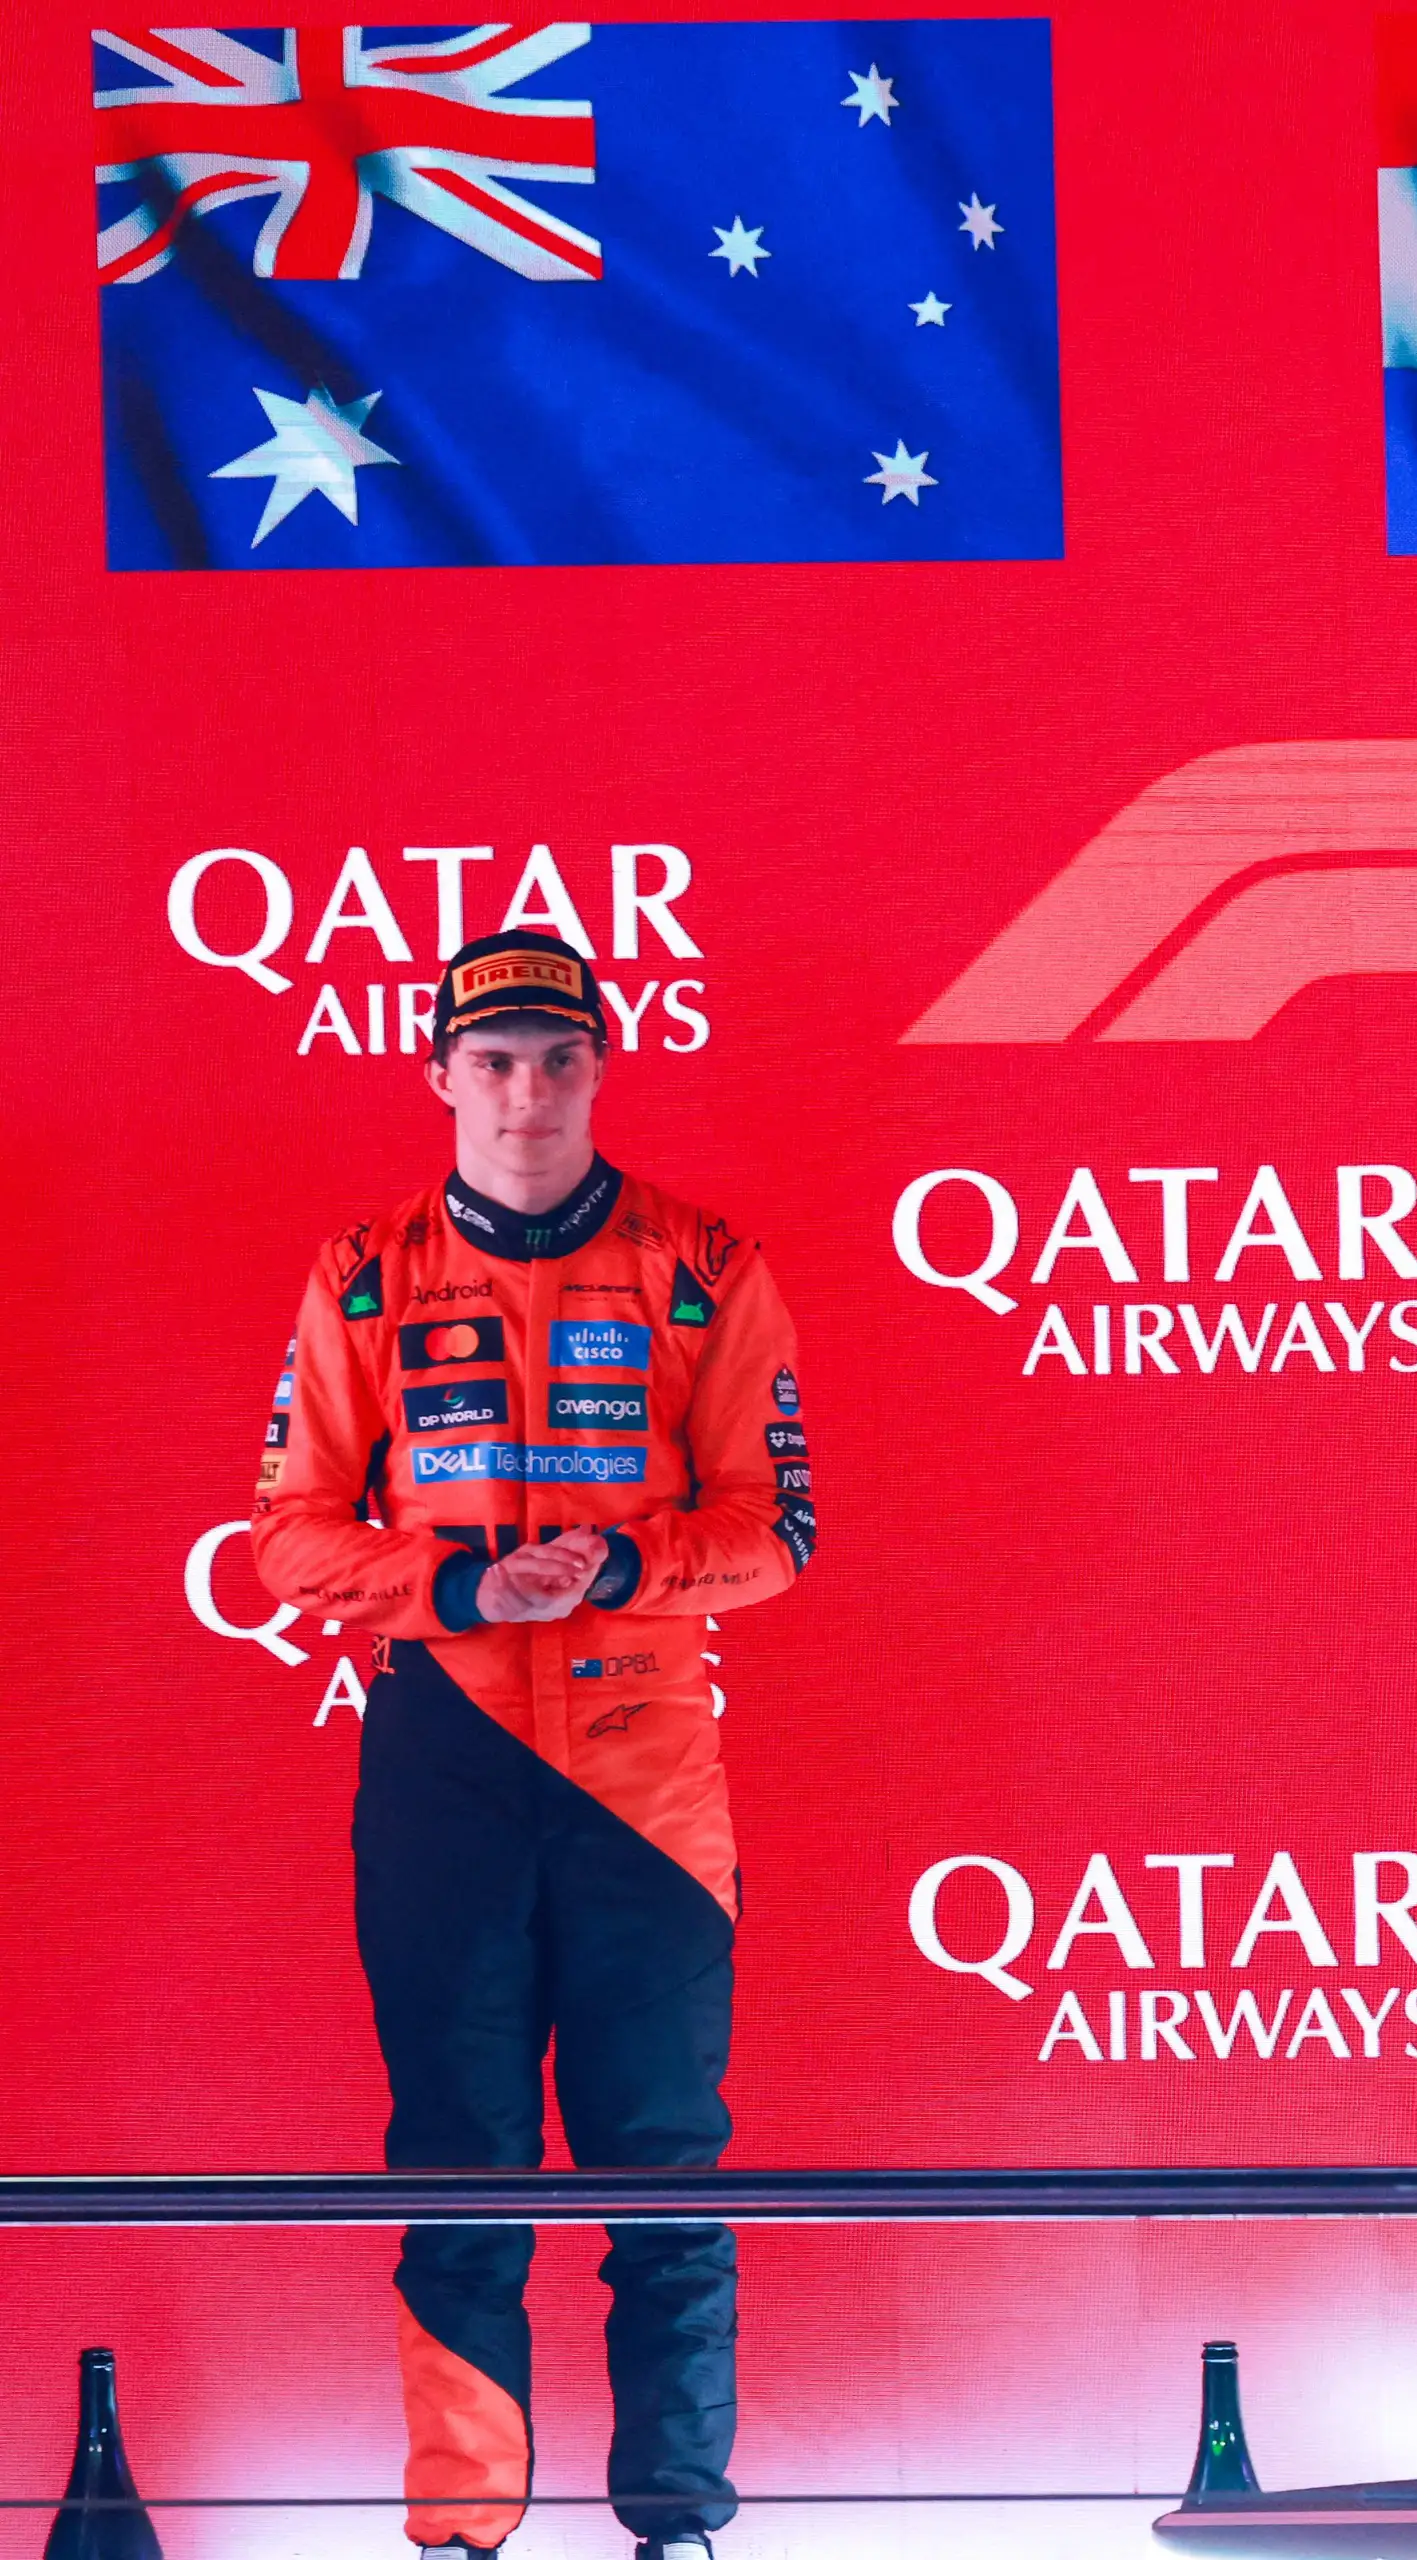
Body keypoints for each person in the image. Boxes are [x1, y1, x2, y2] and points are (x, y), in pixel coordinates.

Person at [252, 929, 816, 2560]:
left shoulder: (703, 1262)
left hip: (646, 1777)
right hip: (447, 1758)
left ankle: (678, 2532)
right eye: (493, 1063)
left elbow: (774, 1526)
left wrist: (628, 1566)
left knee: (669, 2178)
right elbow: (288, 1535)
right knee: (456, 2171)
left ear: (599, 1071)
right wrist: (456, 1583)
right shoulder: (362, 1269)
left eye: (558, 1060)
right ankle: (463, 2538)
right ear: (439, 1076)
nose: (526, 1093)